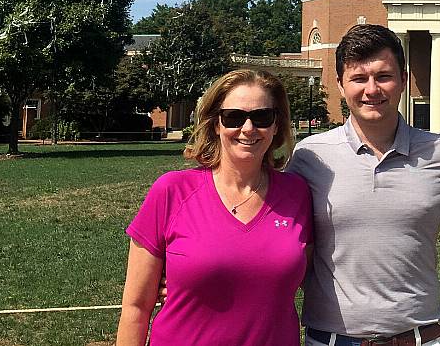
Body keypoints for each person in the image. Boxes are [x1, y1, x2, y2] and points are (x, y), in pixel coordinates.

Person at [286, 24, 440, 346]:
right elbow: (273, 237)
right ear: (340, 84)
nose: (371, 90)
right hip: (331, 338)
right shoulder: (310, 157)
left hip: (418, 337)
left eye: (383, 76)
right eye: (359, 78)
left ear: (403, 79)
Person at [117, 69, 311, 346]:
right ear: (216, 123)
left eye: (262, 117)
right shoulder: (172, 191)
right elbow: (135, 308)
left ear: (277, 125)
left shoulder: (298, 194)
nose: (248, 128)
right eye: (233, 117)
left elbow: (322, 275)